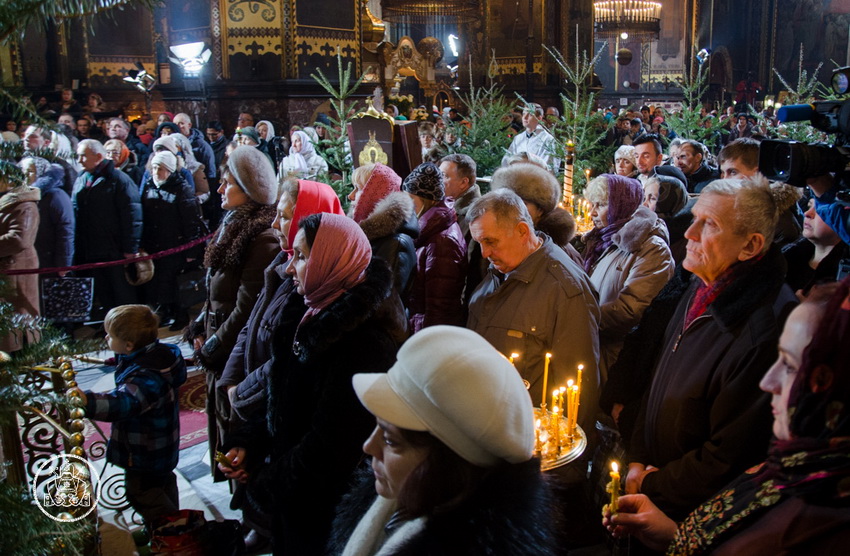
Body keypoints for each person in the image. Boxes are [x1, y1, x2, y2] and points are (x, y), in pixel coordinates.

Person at [601, 176, 798, 520]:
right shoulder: (701, 283)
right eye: (695, 218)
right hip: (651, 478)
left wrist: (654, 484)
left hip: (692, 515)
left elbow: (730, 456)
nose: (689, 234)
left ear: (750, 246)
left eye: (709, 225)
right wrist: (637, 455)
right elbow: (660, 375)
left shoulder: (763, 330)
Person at [604, 281, 850, 554]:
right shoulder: (792, 470)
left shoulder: (824, 525)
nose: (768, 382)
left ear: (835, 384)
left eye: (790, 366)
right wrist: (674, 538)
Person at [218, 213, 407, 555]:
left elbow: (331, 448)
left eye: (302, 257)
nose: (290, 268)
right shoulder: (309, 313)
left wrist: (265, 482)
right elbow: (286, 398)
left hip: (324, 511)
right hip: (295, 499)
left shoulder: (363, 343)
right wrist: (249, 444)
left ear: (332, 261)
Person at [328, 325, 558, 555]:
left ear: (446, 465)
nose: (368, 447)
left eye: (390, 441)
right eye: (377, 426)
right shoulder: (397, 499)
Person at [217, 177, 344, 550]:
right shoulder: (285, 263)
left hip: (276, 425)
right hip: (259, 410)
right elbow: (251, 326)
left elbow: (285, 363)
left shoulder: (318, 284)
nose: (276, 225)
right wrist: (231, 379)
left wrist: (241, 393)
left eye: (285, 216)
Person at [467, 188, 601, 431]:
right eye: (479, 243)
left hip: (530, 438)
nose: (485, 253)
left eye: (490, 241)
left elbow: (578, 388)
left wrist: (558, 459)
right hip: (489, 426)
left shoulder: (564, 289)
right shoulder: (500, 270)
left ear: (522, 231)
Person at [187, 145, 279, 480]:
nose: (220, 189)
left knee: (235, 424)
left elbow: (247, 307)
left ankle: (242, 497)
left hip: (234, 347)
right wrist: (199, 325)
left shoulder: (262, 236)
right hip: (218, 337)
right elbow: (215, 288)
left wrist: (215, 346)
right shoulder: (232, 224)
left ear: (251, 191)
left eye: (229, 184)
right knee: (220, 420)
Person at [75, 305, 187, 526]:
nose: (106, 337)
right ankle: (167, 530)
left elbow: (124, 403)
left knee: (142, 494)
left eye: (110, 335)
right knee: (162, 486)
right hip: (161, 447)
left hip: (145, 452)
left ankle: (176, 531)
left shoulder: (145, 377)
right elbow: (134, 360)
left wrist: (87, 401)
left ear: (128, 344)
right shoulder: (157, 355)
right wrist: (121, 360)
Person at [583, 174, 674, 379]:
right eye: (592, 204)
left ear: (621, 205)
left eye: (601, 205)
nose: (592, 213)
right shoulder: (604, 240)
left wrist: (578, 318)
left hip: (616, 360)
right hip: (594, 348)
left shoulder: (651, 249)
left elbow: (631, 310)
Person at [72, 139, 141, 315]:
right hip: (91, 246)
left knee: (121, 291)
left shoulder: (119, 180)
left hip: (114, 247)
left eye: (83, 156)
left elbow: (132, 215)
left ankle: (127, 323)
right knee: (103, 290)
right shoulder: (82, 178)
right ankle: (109, 324)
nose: (79, 160)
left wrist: (130, 247)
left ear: (98, 156)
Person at [140, 151, 205, 330]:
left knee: (176, 282)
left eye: (159, 168)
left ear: (169, 170)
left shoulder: (182, 189)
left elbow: (191, 221)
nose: (155, 172)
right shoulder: (148, 186)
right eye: (153, 167)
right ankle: (165, 311)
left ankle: (180, 314)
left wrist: (191, 251)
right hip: (156, 244)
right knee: (160, 281)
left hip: (175, 245)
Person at [401, 162, 467, 332]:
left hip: (428, 331)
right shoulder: (429, 229)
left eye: (410, 199)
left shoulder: (443, 241)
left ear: (426, 199)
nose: (406, 205)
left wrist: (427, 343)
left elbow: (439, 307)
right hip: (418, 323)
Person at [349, 163, 418, 303]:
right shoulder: (368, 234)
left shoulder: (396, 243)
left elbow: (383, 302)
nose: (351, 196)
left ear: (374, 194)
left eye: (358, 189)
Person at [0, 160, 41, 352]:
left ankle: (23, 353)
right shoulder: (5, 201)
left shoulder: (23, 205)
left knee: (19, 312)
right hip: (6, 268)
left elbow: (18, 240)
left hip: (16, 268)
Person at [20, 156, 74, 275]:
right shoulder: (24, 195)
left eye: (30, 171)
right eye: (22, 171)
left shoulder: (55, 195)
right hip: (32, 258)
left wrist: (64, 264)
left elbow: (65, 230)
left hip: (50, 259)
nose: (25, 175)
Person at [783, 197, 849, 295]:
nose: (807, 213)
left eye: (819, 210)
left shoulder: (843, 278)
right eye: (809, 206)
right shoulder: (787, 257)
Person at [502, 103, 558, 171]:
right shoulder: (518, 138)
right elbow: (506, 161)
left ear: (539, 118)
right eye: (524, 114)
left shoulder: (547, 139)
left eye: (530, 115)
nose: (525, 117)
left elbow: (550, 166)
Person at [439, 153, 480, 242]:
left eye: (444, 176)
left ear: (463, 182)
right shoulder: (446, 205)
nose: (438, 181)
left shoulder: (474, 217)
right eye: (438, 175)